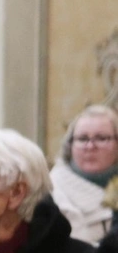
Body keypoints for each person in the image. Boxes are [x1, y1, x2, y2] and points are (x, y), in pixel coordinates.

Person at [50, 104, 118, 245]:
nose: (90, 146)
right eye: (82, 138)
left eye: (101, 138)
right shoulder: (51, 190)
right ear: (70, 145)